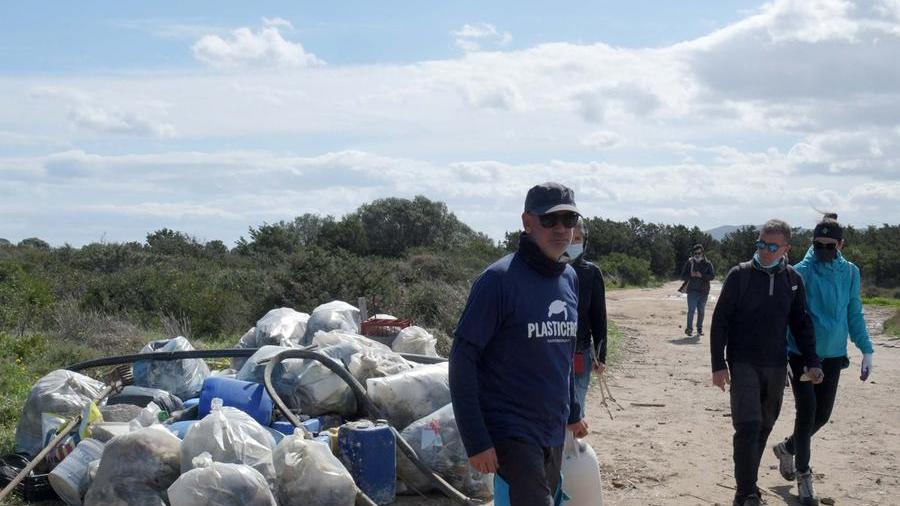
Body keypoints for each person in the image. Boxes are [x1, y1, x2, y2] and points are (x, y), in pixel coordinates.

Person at [449, 182, 589, 506]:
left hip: (553, 427)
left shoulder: (569, 278)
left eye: (568, 219)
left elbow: (563, 354)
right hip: (511, 429)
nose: (561, 228)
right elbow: (462, 359)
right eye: (549, 220)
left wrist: (573, 411)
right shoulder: (498, 281)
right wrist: (476, 440)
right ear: (527, 222)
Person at [710, 219, 824, 506]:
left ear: (786, 249)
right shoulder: (740, 275)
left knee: (763, 426)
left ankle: (747, 486)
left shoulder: (792, 281)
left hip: (775, 365)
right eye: (761, 244)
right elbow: (720, 321)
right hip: (743, 362)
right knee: (747, 427)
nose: (765, 251)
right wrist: (718, 364)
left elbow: (801, 324)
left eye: (772, 247)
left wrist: (812, 361)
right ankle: (746, 493)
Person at [772, 213, 875, 506]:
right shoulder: (798, 272)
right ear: (812, 243)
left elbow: (854, 312)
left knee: (822, 416)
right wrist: (782, 355)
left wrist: (866, 350)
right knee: (806, 414)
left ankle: (787, 448)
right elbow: (787, 318)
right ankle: (804, 476)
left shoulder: (851, 273)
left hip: (833, 355)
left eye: (830, 245)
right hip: (802, 354)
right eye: (819, 245)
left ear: (841, 244)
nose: (824, 250)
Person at [563, 217, 608, 419]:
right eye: (570, 237)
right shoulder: (546, 270)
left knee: (576, 408)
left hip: (580, 352)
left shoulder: (591, 273)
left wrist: (601, 356)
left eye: (578, 238)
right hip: (549, 353)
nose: (573, 242)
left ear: (584, 241)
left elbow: (599, 317)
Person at [680, 244, 715, 337]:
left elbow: (712, 276)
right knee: (691, 310)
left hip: (704, 292)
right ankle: (689, 329)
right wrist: (690, 275)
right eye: (695, 253)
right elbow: (682, 276)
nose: (697, 255)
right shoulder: (689, 263)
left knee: (701, 311)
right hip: (692, 291)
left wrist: (702, 275)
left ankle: (699, 329)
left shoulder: (708, 263)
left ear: (702, 253)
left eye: (699, 253)